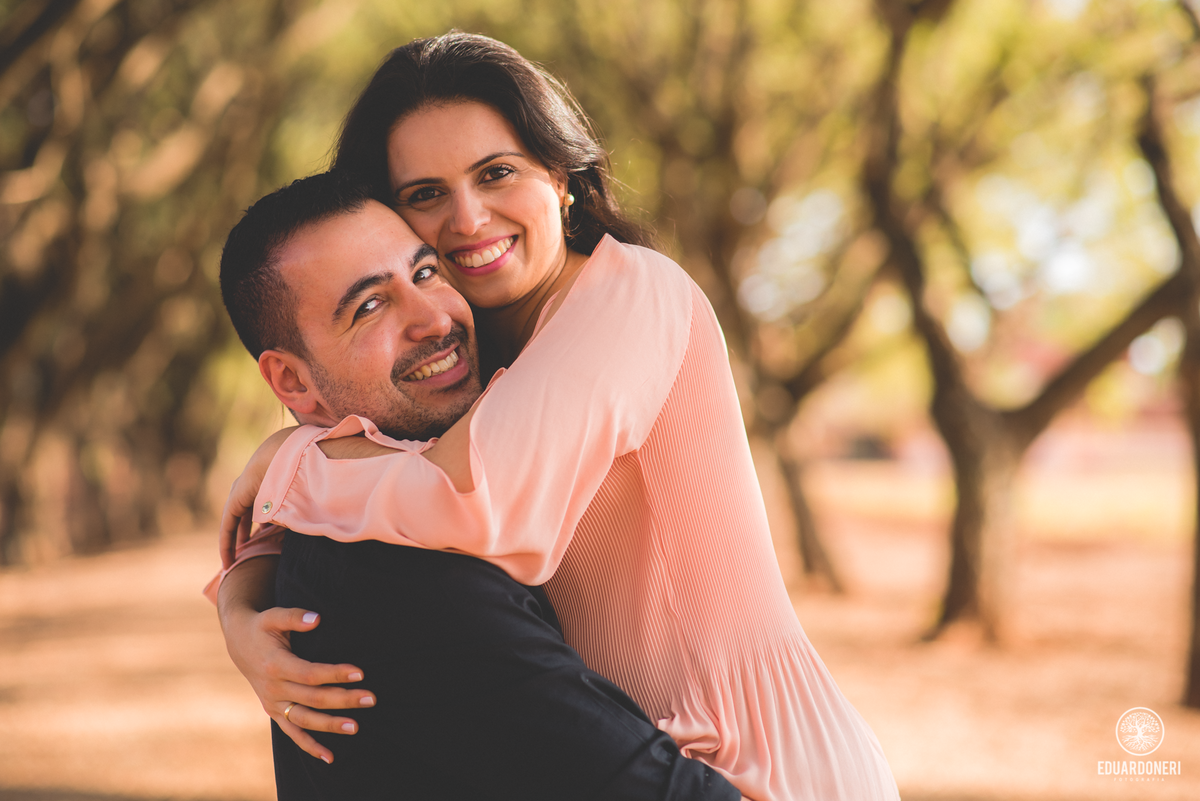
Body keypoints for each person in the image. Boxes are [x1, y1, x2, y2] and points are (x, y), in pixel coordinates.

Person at [218, 33, 899, 801]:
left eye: (496, 172)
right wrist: (244, 608)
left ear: (563, 178)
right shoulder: (472, 351)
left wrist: (293, 460)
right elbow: (386, 488)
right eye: (425, 194)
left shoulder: (630, 296)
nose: (468, 218)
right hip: (642, 758)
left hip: (761, 764)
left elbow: (482, 507)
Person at [212, 169, 741, 800]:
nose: (434, 319)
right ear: (293, 383)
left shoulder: (364, 514)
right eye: (370, 306)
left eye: (427, 272)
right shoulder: (402, 574)